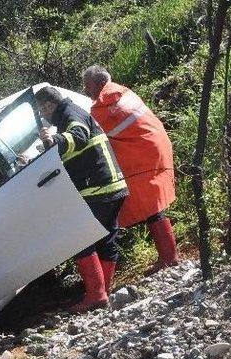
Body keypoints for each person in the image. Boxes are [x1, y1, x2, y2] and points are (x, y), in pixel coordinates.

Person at [35, 86, 128, 312]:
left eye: (41, 110)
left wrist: (53, 140)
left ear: (49, 105)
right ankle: (102, 292)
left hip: (97, 188)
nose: (42, 115)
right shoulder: (72, 113)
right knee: (106, 240)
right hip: (111, 186)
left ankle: (97, 296)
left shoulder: (70, 114)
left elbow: (78, 136)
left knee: (80, 239)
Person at [83, 65, 178, 275]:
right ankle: (168, 257)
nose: (86, 91)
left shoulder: (104, 102)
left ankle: (169, 258)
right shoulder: (123, 91)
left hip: (143, 154)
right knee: (152, 204)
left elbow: (93, 132)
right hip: (153, 145)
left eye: (87, 86)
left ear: (98, 84)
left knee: (151, 206)